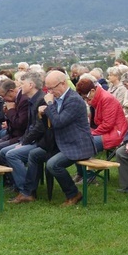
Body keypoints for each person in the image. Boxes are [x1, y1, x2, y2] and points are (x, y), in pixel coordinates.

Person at [39, 70, 95, 206]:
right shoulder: (58, 99)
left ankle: (73, 194)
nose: (50, 92)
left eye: (52, 88)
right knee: (35, 155)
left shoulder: (74, 100)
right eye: (48, 89)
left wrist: (49, 106)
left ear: (63, 83)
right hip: (62, 142)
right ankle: (29, 192)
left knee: (53, 164)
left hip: (78, 144)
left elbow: (59, 122)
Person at [4, 72, 46, 204]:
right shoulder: (32, 99)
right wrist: (23, 141)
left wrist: (24, 142)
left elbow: (39, 128)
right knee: (3, 151)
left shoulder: (41, 100)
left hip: (42, 142)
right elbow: (30, 126)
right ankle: (21, 187)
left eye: (22, 84)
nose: (19, 86)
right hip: (33, 139)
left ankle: (26, 191)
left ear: (31, 85)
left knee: (12, 155)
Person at [75, 79, 128, 157]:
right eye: (84, 98)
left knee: (82, 144)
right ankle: (83, 169)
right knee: (77, 141)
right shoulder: (98, 98)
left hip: (116, 133)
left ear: (93, 91)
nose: (86, 100)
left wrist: (91, 134)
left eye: (86, 97)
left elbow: (108, 125)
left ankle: (86, 169)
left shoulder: (106, 99)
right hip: (107, 131)